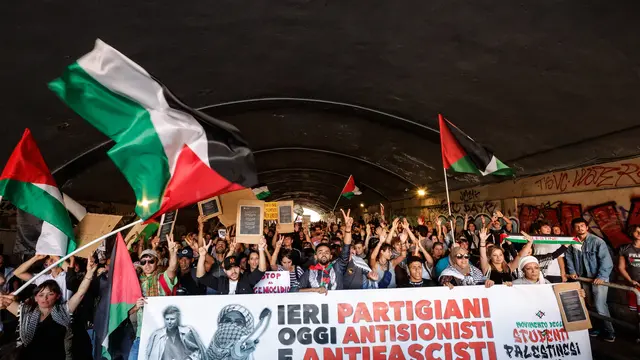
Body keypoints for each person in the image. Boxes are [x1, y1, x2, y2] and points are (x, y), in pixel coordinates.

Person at [0, 258, 97, 360]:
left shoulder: (64, 311)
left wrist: (89, 273)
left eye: (50, 294)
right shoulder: (26, 312)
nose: (45, 298)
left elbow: (80, 293)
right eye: (41, 295)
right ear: (36, 298)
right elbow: (3, 296)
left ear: (58, 296)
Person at [129, 234, 179, 360]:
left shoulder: (162, 278)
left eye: (151, 261)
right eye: (143, 262)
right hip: (141, 333)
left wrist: (173, 253)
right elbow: (127, 310)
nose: (147, 264)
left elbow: (172, 269)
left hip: (162, 333)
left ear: (157, 262)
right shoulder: (135, 283)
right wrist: (135, 307)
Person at [565, 217, 615, 342]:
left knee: (600, 305)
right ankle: (597, 328)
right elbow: (569, 257)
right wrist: (572, 272)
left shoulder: (597, 241)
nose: (580, 228)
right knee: (590, 305)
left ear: (587, 227)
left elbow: (606, 261)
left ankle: (610, 332)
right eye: (577, 226)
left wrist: (602, 276)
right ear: (573, 229)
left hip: (598, 279)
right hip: (583, 279)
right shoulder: (573, 242)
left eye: (582, 225)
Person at [300, 209, 353, 294]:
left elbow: (346, 249)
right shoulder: (310, 272)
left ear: (331, 256)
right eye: (320, 252)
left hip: (338, 306)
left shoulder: (337, 267)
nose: (324, 254)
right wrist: (315, 290)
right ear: (315, 256)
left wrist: (348, 230)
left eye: (327, 252)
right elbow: (294, 289)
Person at [196, 238, 267, 294]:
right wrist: (202, 256)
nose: (233, 271)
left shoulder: (247, 280)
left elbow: (261, 270)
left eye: (235, 267)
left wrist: (261, 249)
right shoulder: (221, 282)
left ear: (239, 267)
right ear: (225, 271)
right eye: (229, 269)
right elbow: (201, 277)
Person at [206, 304, 272, 360]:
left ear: (246, 328)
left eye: (239, 322)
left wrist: (238, 353)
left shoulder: (246, 348)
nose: (232, 324)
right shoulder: (199, 353)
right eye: (227, 321)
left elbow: (240, 352)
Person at [617, 224, 640, 342]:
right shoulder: (625, 249)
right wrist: (630, 281)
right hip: (635, 285)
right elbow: (621, 267)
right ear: (632, 233)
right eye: (637, 231)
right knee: (637, 313)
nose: (639, 234)